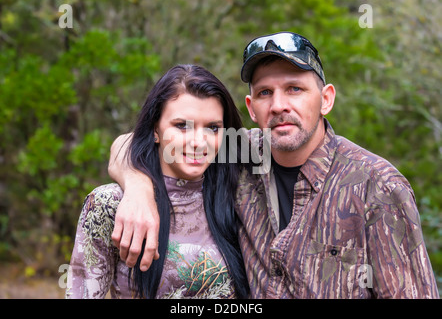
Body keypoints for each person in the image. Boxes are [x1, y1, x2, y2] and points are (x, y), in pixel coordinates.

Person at [108, 32, 439, 298]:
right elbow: (138, 142)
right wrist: (137, 188)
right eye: (265, 92)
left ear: (326, 99)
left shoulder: (376, 186)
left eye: (295, 89)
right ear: (252, 108)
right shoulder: (240, 152)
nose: (279, 105)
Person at [66, 64, 250, 299]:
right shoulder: (109, 204)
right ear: (155, 128)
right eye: (182, 126)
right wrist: (140, 189)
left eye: (213, 128)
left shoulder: (241, 194)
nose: (199, 142)